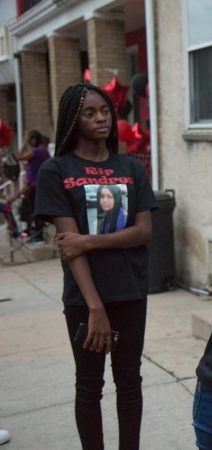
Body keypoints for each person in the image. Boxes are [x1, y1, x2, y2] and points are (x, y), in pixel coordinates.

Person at [34, 83, 156, 450]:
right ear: (73, 119)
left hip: (131, 291)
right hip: (85, 298)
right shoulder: (57, 171)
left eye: (105, 110)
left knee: (129, 381)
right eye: (89, 112)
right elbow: (70, 250)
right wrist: (94, 307)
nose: (101, 118)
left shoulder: (130, 168)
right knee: (89, 384)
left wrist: (89, 240)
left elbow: (144, 231)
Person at [13, 130, 50, 241]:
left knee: (35, 210)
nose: (30, 142)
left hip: (36, 186)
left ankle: (38, 235)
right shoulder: (39, 151)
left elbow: (19, 157)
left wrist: (24, 142)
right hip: (32, 185)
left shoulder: (39, 151)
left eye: (31, 139)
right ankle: (33, 232)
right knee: (29, 210)